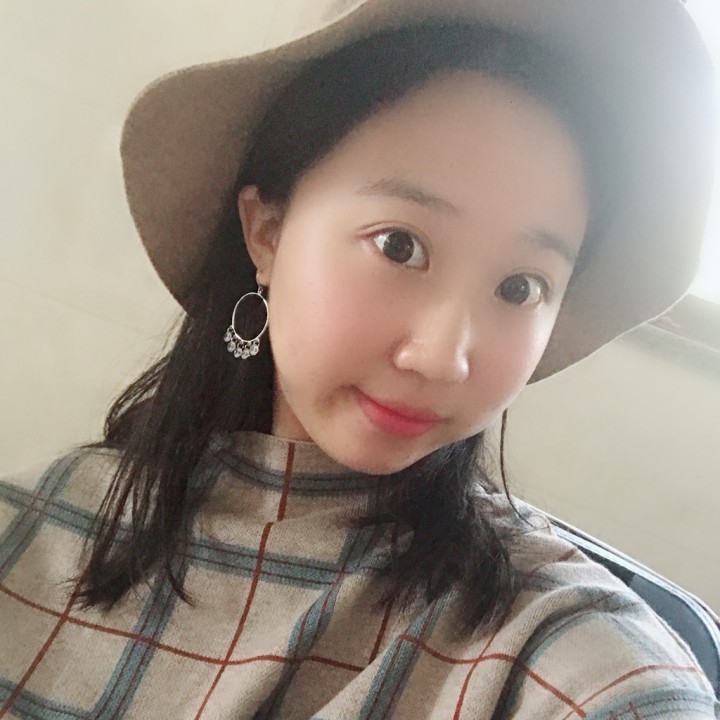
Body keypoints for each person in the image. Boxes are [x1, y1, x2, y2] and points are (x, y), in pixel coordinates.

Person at [0, 0, 717, 717]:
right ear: (268, 231)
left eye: (520, 287)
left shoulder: (550, 641)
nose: (443, 358)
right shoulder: (34, 527)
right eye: (400, 246)